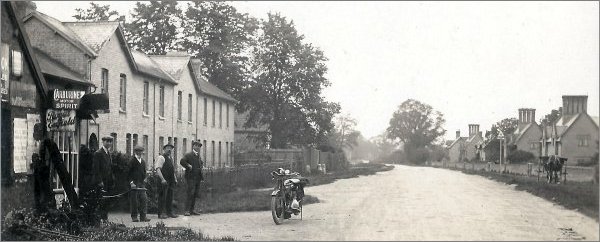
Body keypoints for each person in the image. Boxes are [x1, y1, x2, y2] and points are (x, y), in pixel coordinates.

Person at [180, 140, 204, 216]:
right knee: (190, 193)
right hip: (190, 177)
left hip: (197, 178)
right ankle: (186, 210)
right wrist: (188, 166)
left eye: (199, 146)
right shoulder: (188, 155)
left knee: (195, 194)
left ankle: (191, 210)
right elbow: (182, 161)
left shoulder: (198, 156)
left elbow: (201, 163)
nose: (198, 147)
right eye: (196, 145)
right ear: (193, 146)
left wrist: (201, 167)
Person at [93, 136, 114, 220]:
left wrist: (112, 179)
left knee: (107, 200)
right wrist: (99, 181)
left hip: (108, 181)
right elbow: (96, 169)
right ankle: (101, 219)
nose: (109, 143)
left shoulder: (108, 153)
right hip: (101, 182)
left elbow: (110, 168)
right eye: (107, 141)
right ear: (103, 142)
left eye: (110, 142)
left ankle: (105, 218)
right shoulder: (98, 153)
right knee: (102, 200)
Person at [155, 143, 178, 219]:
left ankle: (169, 212)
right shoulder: (161, 157)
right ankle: (161, 213)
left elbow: (172, 170)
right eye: (167, 148)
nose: (169, 149)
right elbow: (158, 169)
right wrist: (162, 179)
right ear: (164, 149)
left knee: (169, 197)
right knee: (162, 197)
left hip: (170, 181)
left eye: (171, 148)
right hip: (163, 181)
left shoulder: (170, 158)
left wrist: (175, 178)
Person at [128, 146, 151, 222]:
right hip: (134, 183)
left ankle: (143, 216)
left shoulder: (143, 161)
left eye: (141, 151)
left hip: (141, 183)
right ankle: (134, 216)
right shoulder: (132, 161)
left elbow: (144, 172)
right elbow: (127, 173)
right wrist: (131, 183)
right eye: (138, 151)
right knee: (134, 200)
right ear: (135, 152)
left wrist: (145, 178)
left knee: (144, 199)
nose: (140, 153)